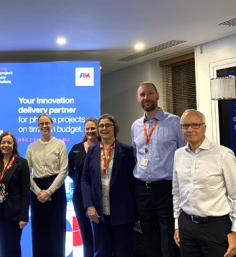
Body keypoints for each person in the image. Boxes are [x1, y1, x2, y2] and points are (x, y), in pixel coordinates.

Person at [173, 109, 236, 257]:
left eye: (195, 125)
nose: (190, 129)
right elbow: (177, 192)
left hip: (215, 227)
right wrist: (177, 225)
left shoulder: (223, 154)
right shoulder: (178, 154)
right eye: (185, 125)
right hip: (186, 225)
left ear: (204, 127)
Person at [131, 82, 186, 257]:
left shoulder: (174, 122)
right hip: (142, 190)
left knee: (169, 237)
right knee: (148, 237)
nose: (146, 98)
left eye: (149, 93)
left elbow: (184, 153)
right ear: (138, 99)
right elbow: (136, 155)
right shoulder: (135, 126)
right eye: (142, 95)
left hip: (166, 189)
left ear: (157, 95)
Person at [82, 114, 137, 257]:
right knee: (100, 252)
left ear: (115, 128)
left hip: (122, 213)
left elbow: (133, 182)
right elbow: (85, 180)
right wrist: (89, 205)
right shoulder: (92, 151)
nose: (104, 128)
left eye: (108, 125)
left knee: (123, 252)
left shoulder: (127, 151)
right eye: (101, 126)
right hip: (98, 213)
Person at [26, 113, 68, 257]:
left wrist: (49, 192)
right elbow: (27, 172)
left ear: (52, 125)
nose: (44, 126)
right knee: (39, 230)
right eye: (41, 124)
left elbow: (64, 171)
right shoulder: (31, 147)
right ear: (38, 126)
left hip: (56, 188)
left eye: (47, 123)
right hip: (37, 190)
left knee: (57, 230)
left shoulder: (60, 144)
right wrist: (38, 192)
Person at [0, 131, 30, 257]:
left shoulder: (21, 163)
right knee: (2, 246)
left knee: (13, 246)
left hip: (14, 212)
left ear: (14, 145)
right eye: (3, 142)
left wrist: (24, 216)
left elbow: (25, 191)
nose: (6, 145)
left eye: (9, 142)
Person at [68, 117, 98, 257]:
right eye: (88, 129)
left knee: (101, 233)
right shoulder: (76, 149)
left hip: (99, 195)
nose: (90, 131)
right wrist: (78, 180)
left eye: (93, 128)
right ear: (84, 130)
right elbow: (68, 169)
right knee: (86, 234)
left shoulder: (103, 146)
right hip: (80, 196)